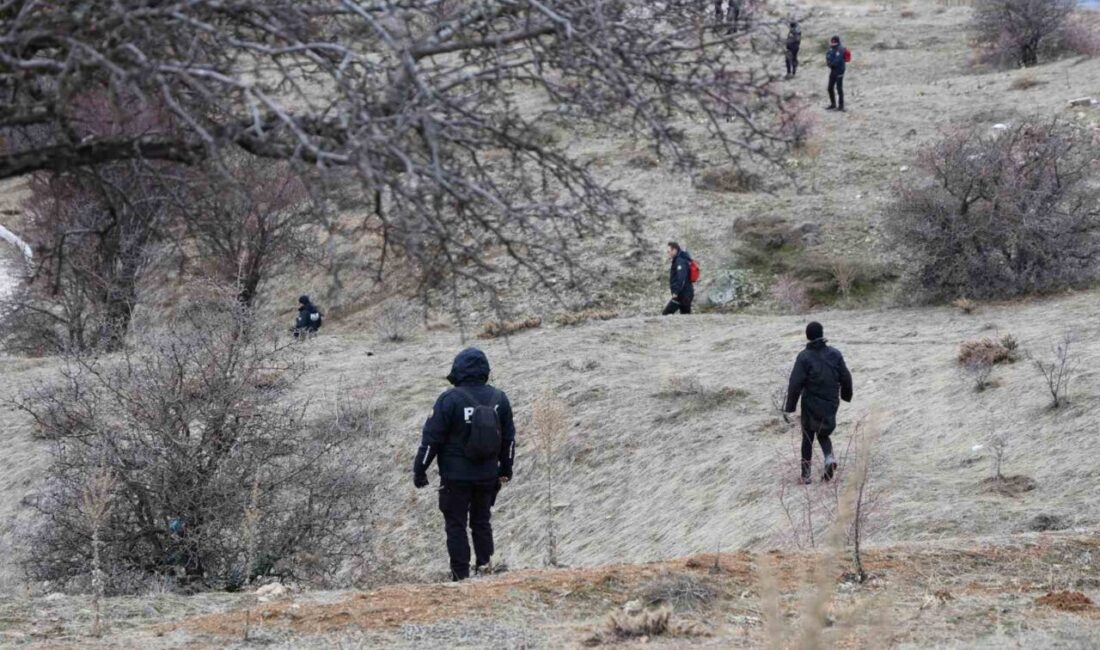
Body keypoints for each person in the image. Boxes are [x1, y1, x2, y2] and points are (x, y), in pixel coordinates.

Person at [413, 348, 517, 581]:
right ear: (485, 370)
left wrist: (420, 470)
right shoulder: (499, 399)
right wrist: (506, 469)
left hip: (455, 478)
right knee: (481, 522)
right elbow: (509, 439)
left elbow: (431, 440)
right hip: (488, 476)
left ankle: (461, 577)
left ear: (458, 370)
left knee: (456, 525)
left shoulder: (449, 400)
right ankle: (485, 568)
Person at [784, 322, 853, 484]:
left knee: (808, 436)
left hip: (811, 402)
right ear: (822, 334)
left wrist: (790, 407)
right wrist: (846, 395)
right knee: (823, 431)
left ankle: (806, 475)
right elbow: (846, 377)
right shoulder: (835, 354)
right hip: (831, 401)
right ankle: (829, 458)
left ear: (808, 336)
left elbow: (795, 383)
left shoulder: (804, 357)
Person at [662, 241, 695, 315]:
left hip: (682, 295)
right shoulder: (679, 259)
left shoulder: (680, 261)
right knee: (685, 316)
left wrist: (676, 292)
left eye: (669, 251)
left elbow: (681, 278)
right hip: (685, 294)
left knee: (665, 314)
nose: (668, 254)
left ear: (674, 250)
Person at [825, 35, 846, 112]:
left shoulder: (840, 49)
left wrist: (831, 64)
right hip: (833, 70)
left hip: (839, 70)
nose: (833, 44)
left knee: (839, 88)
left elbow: (838, 59)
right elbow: (828, 56)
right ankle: (833, 104)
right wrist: (829, 63)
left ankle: (841, 106)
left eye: (834, 42)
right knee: (830, 88)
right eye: (832, 42)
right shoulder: (831, 48)